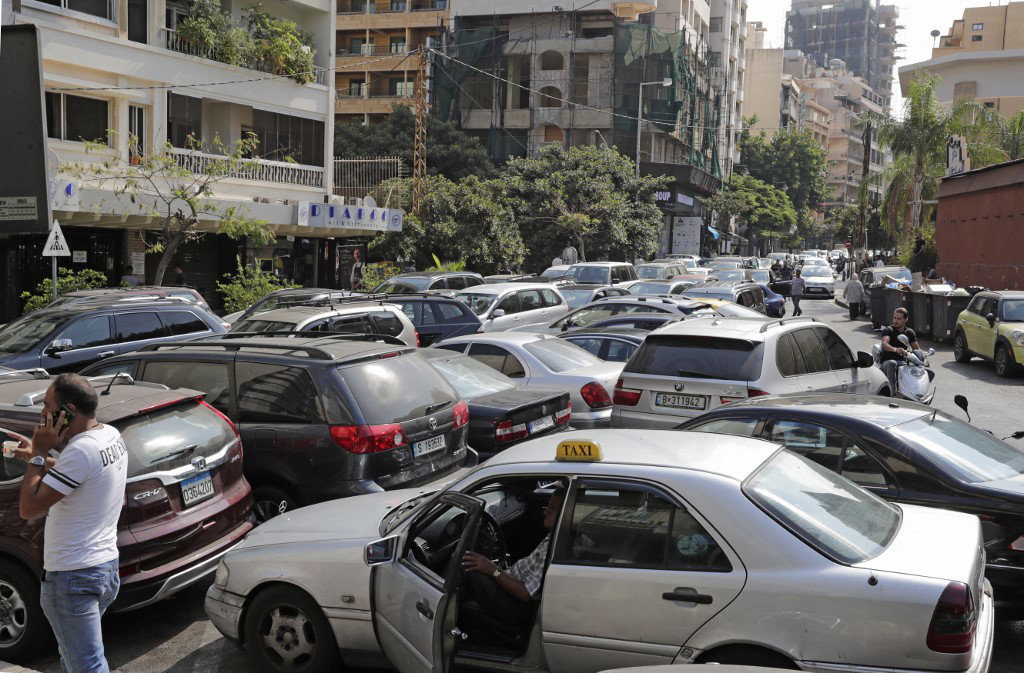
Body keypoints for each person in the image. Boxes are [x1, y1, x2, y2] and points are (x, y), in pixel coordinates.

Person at [11, 374, 127, 673]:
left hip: (73, 577)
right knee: (75, 656)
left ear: (68, 411)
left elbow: (28, 508)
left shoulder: (80, 450)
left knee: (85, 665)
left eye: (47, 405)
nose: (41, 413)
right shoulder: (110, 435)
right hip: (104, 569)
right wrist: (37, 461)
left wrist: (38, 453)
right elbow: (82, 471)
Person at [461, 488, 563, 627]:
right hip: (510, 585)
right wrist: (496, 570)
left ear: (565, 513)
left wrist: (493, 570)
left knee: (467, 566)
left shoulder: (554, 549)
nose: (545, 511)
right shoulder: (555, 536)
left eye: (552, 508)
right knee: (476, 563)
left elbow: (525, 594)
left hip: (516, 606)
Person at [879, 307, 920, 397]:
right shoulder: (888, 330)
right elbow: (884, 344)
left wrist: (922, 359)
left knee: (917, 370)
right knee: (892, 363)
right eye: (894, 318)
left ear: (906, 319)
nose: (895, 321)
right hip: (886, 363)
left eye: (899, 319)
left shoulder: (909, 332)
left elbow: (916, 350)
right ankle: (892, 394)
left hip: (902, 363)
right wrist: (895, 349)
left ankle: (916, 395)